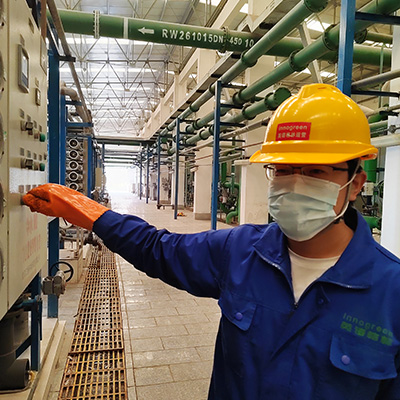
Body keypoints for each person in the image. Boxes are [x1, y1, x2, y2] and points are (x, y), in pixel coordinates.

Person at [23, 84, 400, 400]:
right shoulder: (241, 251)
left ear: (355, 183)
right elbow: (158, 249)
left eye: (315, 171)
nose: (295, 184)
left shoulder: (391, 291)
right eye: (283, 171)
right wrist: (88, 212)